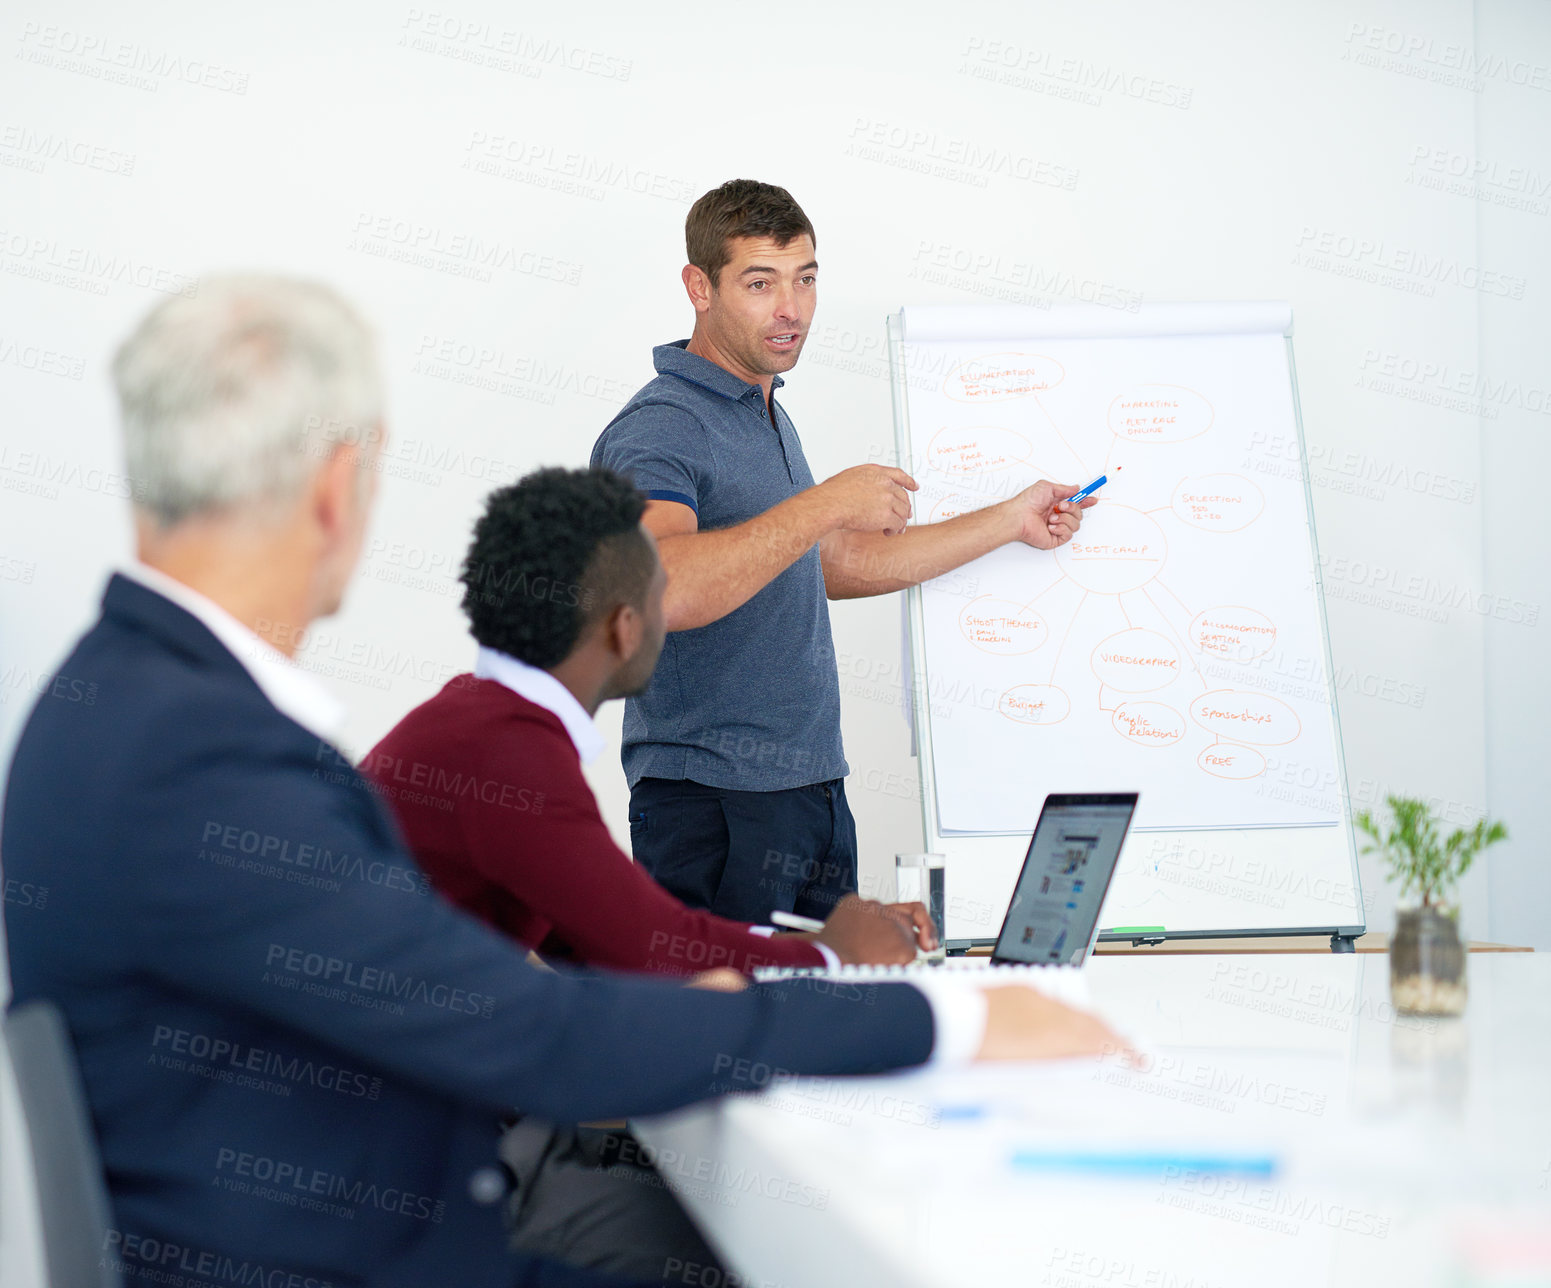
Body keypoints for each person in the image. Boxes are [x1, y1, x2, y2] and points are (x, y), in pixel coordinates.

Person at [1, 276, 1129, 1288]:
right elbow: (534, 1028)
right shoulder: (205, 756)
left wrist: (756, 986)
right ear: (340, 486)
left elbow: (537, 987)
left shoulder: (128, 710)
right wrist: (938, 1022)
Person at [591, 179, 1098, 924]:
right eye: (759, 283)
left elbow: (828, 564)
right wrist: (825, 501)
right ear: (698, 287)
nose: (789, 308)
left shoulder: (764, 411)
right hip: (715, 808)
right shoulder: (662, 427)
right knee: (728, 1032)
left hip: (811, 795)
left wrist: (1008, 521)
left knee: (825, 1022)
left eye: (805, 279)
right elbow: (662, 588)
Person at [363, 465, 935, 978]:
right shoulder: (505, 754)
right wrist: (832, 954)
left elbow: (608, 937)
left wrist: (824, 941)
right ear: (625, 627)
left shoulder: (477, 723)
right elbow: (649, 949)